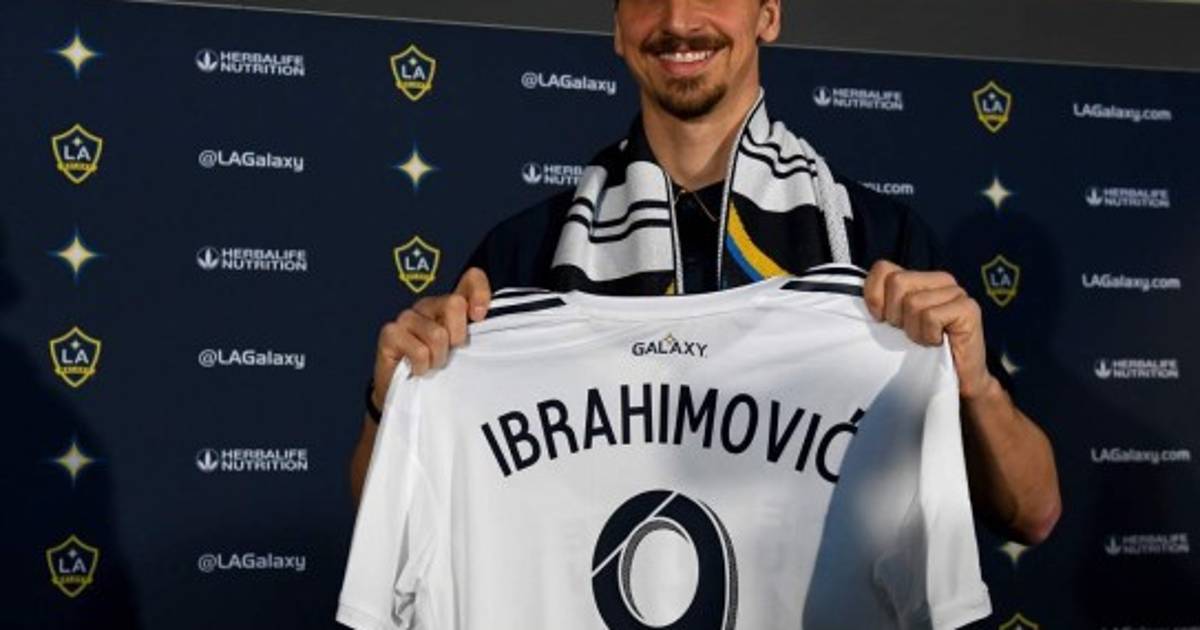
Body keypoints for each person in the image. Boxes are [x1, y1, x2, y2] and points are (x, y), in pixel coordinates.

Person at [351, 0, 1061, 545]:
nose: (679, 20)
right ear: (618, 28)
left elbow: (1032, 514)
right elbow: (391, 529)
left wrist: (974, 386)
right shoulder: (520, 259)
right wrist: (394, 400)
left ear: (769, 13)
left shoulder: (876, 246)